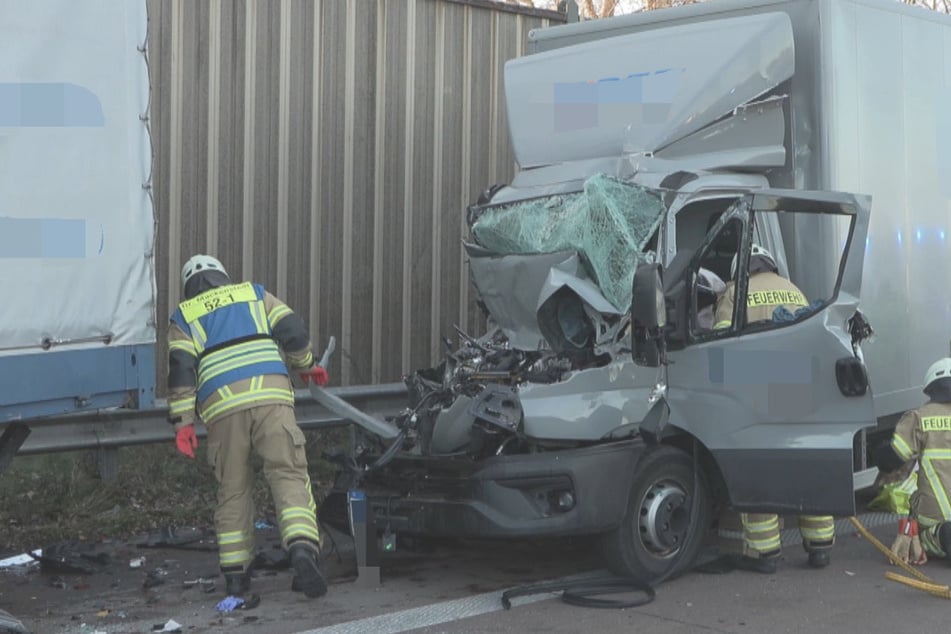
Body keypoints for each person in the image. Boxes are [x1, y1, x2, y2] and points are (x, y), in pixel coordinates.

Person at [166, 254, 329, 598]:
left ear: (189, 287)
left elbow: (181, 371)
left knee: (233, 488)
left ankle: (237, 575)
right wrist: (307, 365)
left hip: (223, 409)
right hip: (272, 398)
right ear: (223, 276)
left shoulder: (185, 316)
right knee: (288, 472)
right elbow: (293, 330)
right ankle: (301, 547)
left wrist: (183, 424)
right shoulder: (254, 294)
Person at [713, 244, 835, 571]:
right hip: (803, 390)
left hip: (760, 392)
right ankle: (820, 545)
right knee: (807, 467)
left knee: (762, 471)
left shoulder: (735, 292)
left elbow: (719, 346)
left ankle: (764, 553)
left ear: (741, 267)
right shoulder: (794, 290)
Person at [876, 357, 951, 564]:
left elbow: (892, 459)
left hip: (936, 515)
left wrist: (878, 452)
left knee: (928, 534)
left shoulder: (920, 418)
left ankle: (938, 536)